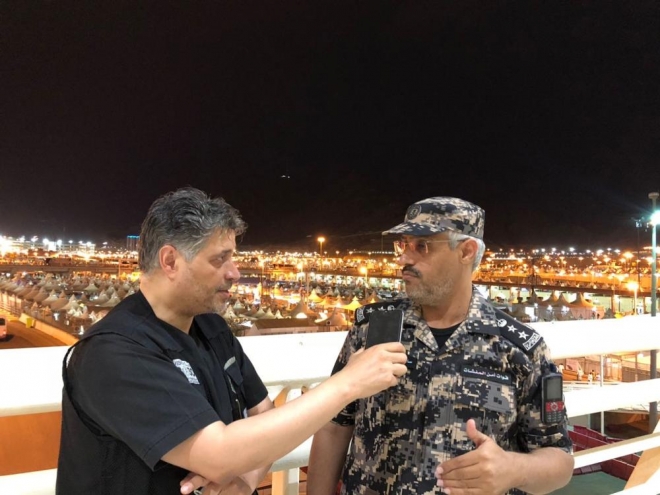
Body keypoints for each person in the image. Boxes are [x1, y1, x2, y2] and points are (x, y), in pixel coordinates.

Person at [56, 187, 407, 495]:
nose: (235, 273)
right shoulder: (113, 352)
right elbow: (218, 454)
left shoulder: (211, 328)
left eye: (233, 258)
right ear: (170, 261)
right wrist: (348, 383)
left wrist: (245, 480)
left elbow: (263, 414)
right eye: (219, 259)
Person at [308, 197, 574, 495]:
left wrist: (513, 469)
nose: (403, 259)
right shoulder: (373, 330)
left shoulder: (519, 349)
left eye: (422, 246)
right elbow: (334, 427)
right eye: (403, 245)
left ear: (466, 251)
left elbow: (559, 459)